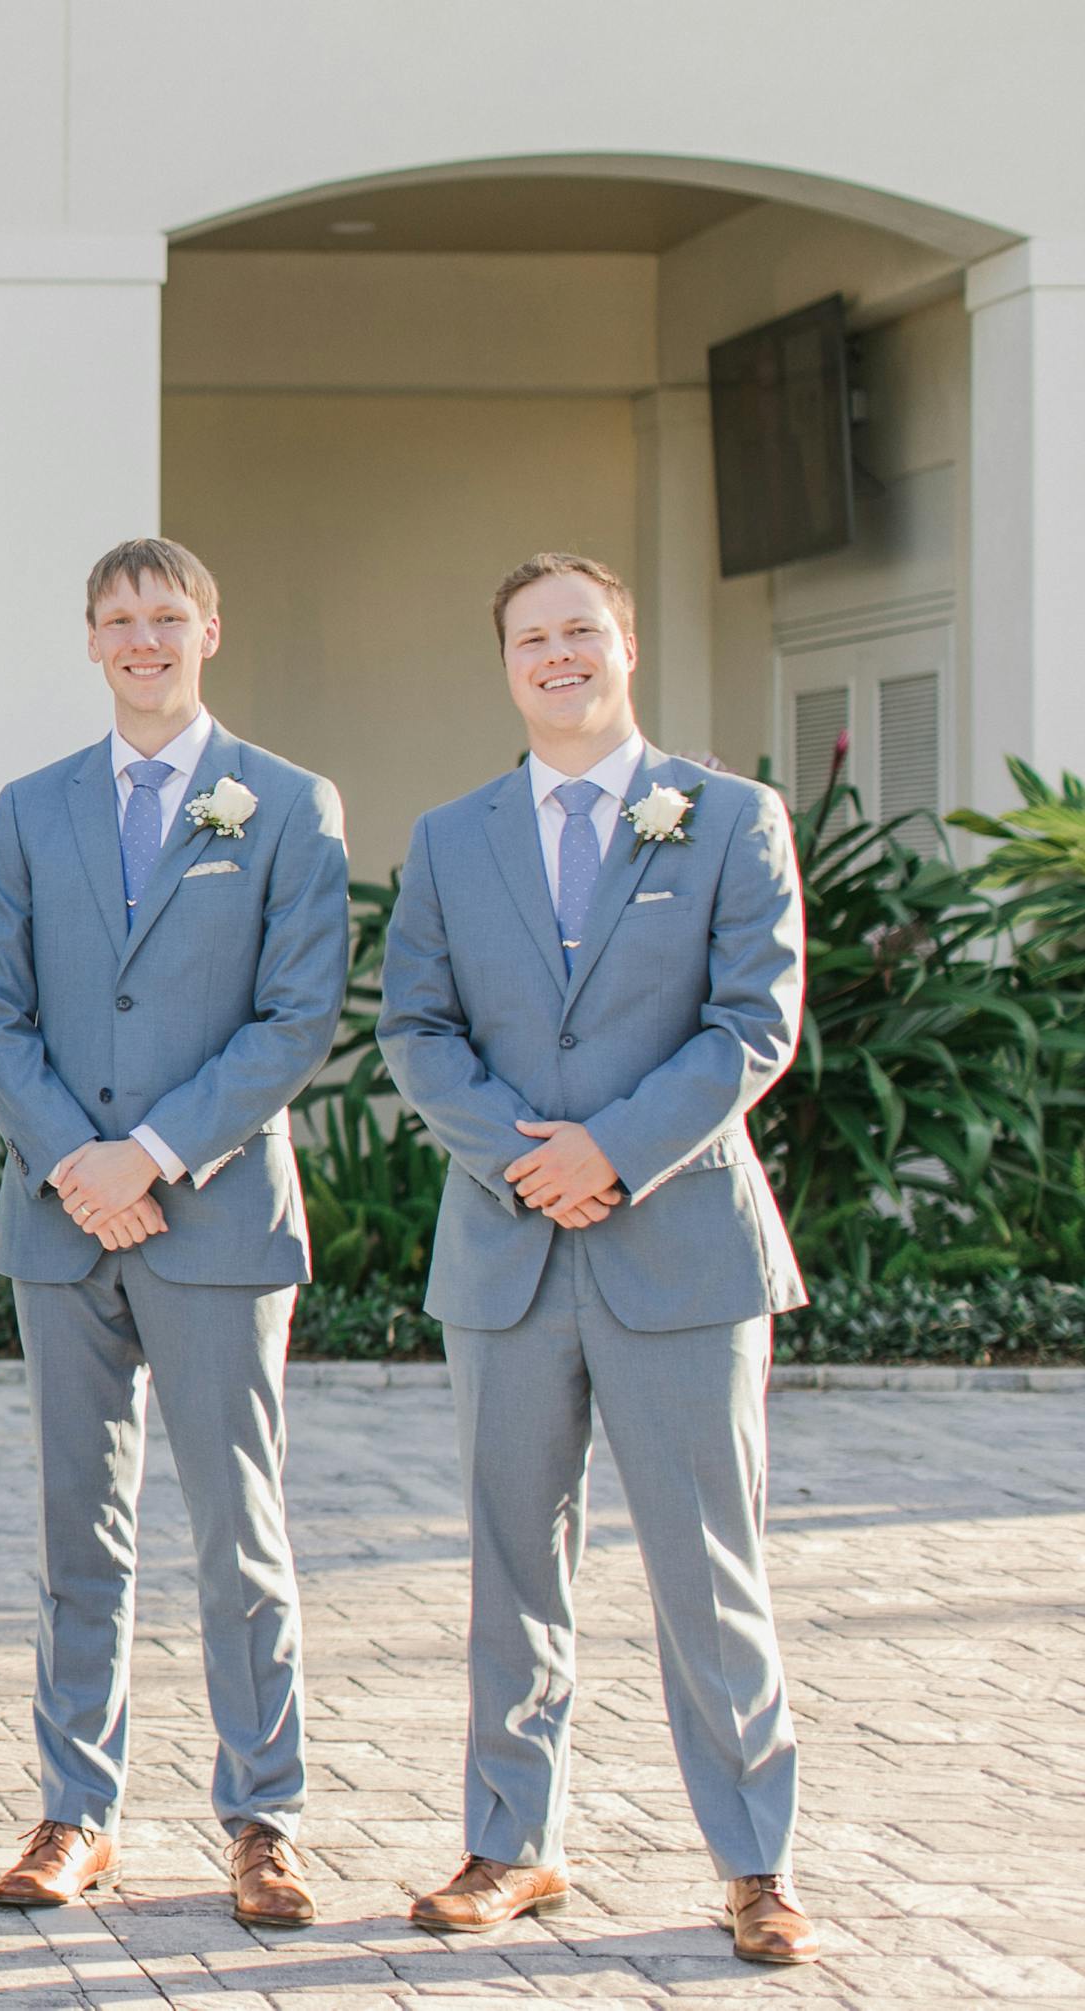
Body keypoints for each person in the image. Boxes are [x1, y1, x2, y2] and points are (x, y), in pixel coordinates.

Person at [377, 553, 818, 1966]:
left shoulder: (733, 816)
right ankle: (513, 1841)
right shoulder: (453, 837)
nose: (557, 653)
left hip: (681, 1244)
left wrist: (612, 1150)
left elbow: (754, 1021)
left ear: (626, 644)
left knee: (710, 1566)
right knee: (513, 1563)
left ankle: (756, 1862)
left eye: (582, 629)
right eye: (531, 635)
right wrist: (528, 1155)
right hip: (508, 1246)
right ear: (504, 659)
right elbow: (416, 1029)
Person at [0, 538, 347, 1925]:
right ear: (89, 639)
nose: (143, 636)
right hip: (64, 1223)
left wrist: (156, 1153)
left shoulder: (289, 805)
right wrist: (78, 1160)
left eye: (166, 614)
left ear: (209, 629)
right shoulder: (29, 808)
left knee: (241, 1528)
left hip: (218, 1212)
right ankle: (76, 1808)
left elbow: (298, 1013)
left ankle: (264, 1817)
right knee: (79, 1529)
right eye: (119, 617)